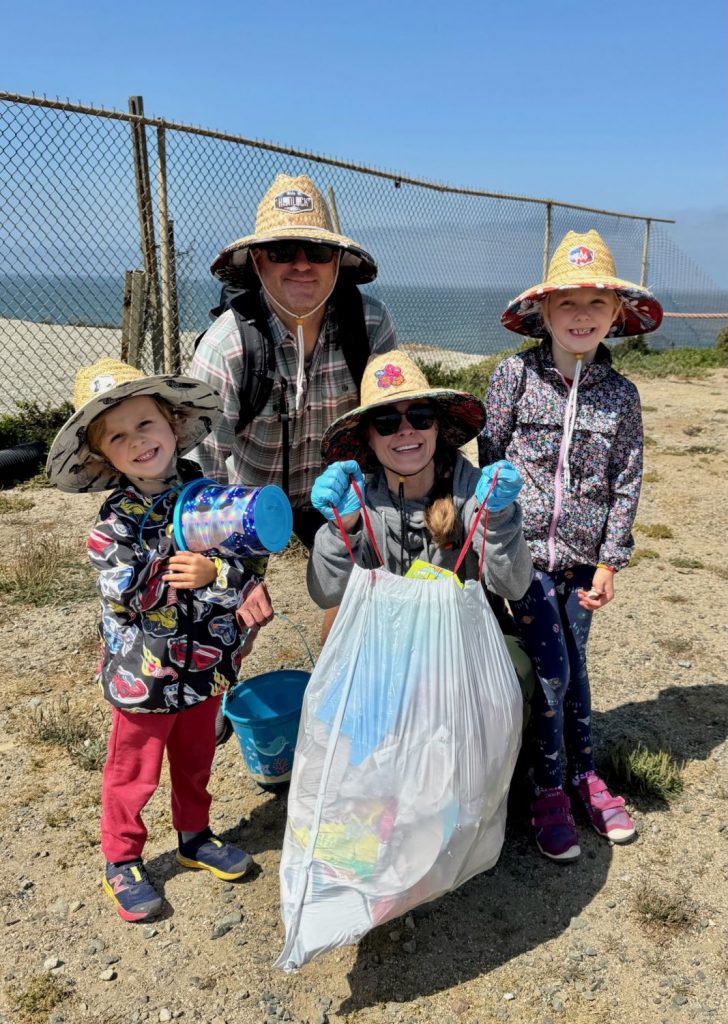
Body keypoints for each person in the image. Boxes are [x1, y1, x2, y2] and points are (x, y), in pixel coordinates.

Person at [46, 358, 261, 922]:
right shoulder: (112, 524)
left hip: (207, 662)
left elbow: (245, 552)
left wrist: (228, 580)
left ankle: (194, 835)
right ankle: (121, 857)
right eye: (117, 436)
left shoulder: (209, 492)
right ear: (103, 457)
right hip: (143, 675)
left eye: (146, 424)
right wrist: (180, 563)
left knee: (195, 759)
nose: (137, 440)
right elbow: (127, 591)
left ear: (172, 422)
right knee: (132, 769)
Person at [479, 229, 664, 862]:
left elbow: (627, 480)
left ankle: (582, 774)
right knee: (553, 674)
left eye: (595, 304)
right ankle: (551, 788)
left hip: (585, 564)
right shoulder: (513, 377)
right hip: (522, 562)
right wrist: (494, 541)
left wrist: (611, 559)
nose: (581, 317)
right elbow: (490, 458)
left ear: (616, 314)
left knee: (572, 670)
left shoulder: (623, 396)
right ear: (543, 314)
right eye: (568, 304)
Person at [188, 172, 398, 637]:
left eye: (317, 252)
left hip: (339, 484)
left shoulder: (370, 322)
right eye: (283, 251)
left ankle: (339, 689)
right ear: (258, 261)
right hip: (248, 493)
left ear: (338, 261)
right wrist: (231, 573)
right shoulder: (229, 345)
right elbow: (201, 464)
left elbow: (393, 419)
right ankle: (221, 700)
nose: (302, 265)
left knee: (364, 597)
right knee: (224, 618)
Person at [306, 350, 533, 622]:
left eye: (420, 416)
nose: (405, 429)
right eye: (385, 422)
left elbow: (514, 586)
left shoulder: (474, 493)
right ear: (368, 437)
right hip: (389, 643)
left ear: (436, 425)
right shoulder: (359, 507)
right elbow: (326, 594)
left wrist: (498, 517)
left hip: (465, 642)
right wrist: (341, 529)